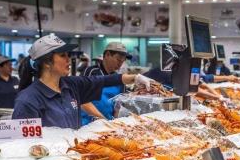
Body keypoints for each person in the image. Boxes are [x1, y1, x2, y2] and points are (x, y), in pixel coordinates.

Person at [12, 35, 150, 129]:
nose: (69, 60)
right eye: (62, 55)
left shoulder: (71, 85)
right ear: (47, 62)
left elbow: (103, 79)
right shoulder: (28, 100)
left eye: (68, 55)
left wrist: (135, 77)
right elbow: (20, 144)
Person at [81, 42, 132, 124]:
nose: (120, 63)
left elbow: (119, 104)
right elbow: (82, 101)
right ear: (107, 55)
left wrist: (115, 123)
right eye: (118, 59)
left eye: (123, 61)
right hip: (88, 124)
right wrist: (102, 120)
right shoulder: (91, 72)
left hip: (108, 124)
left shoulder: (119, 79)